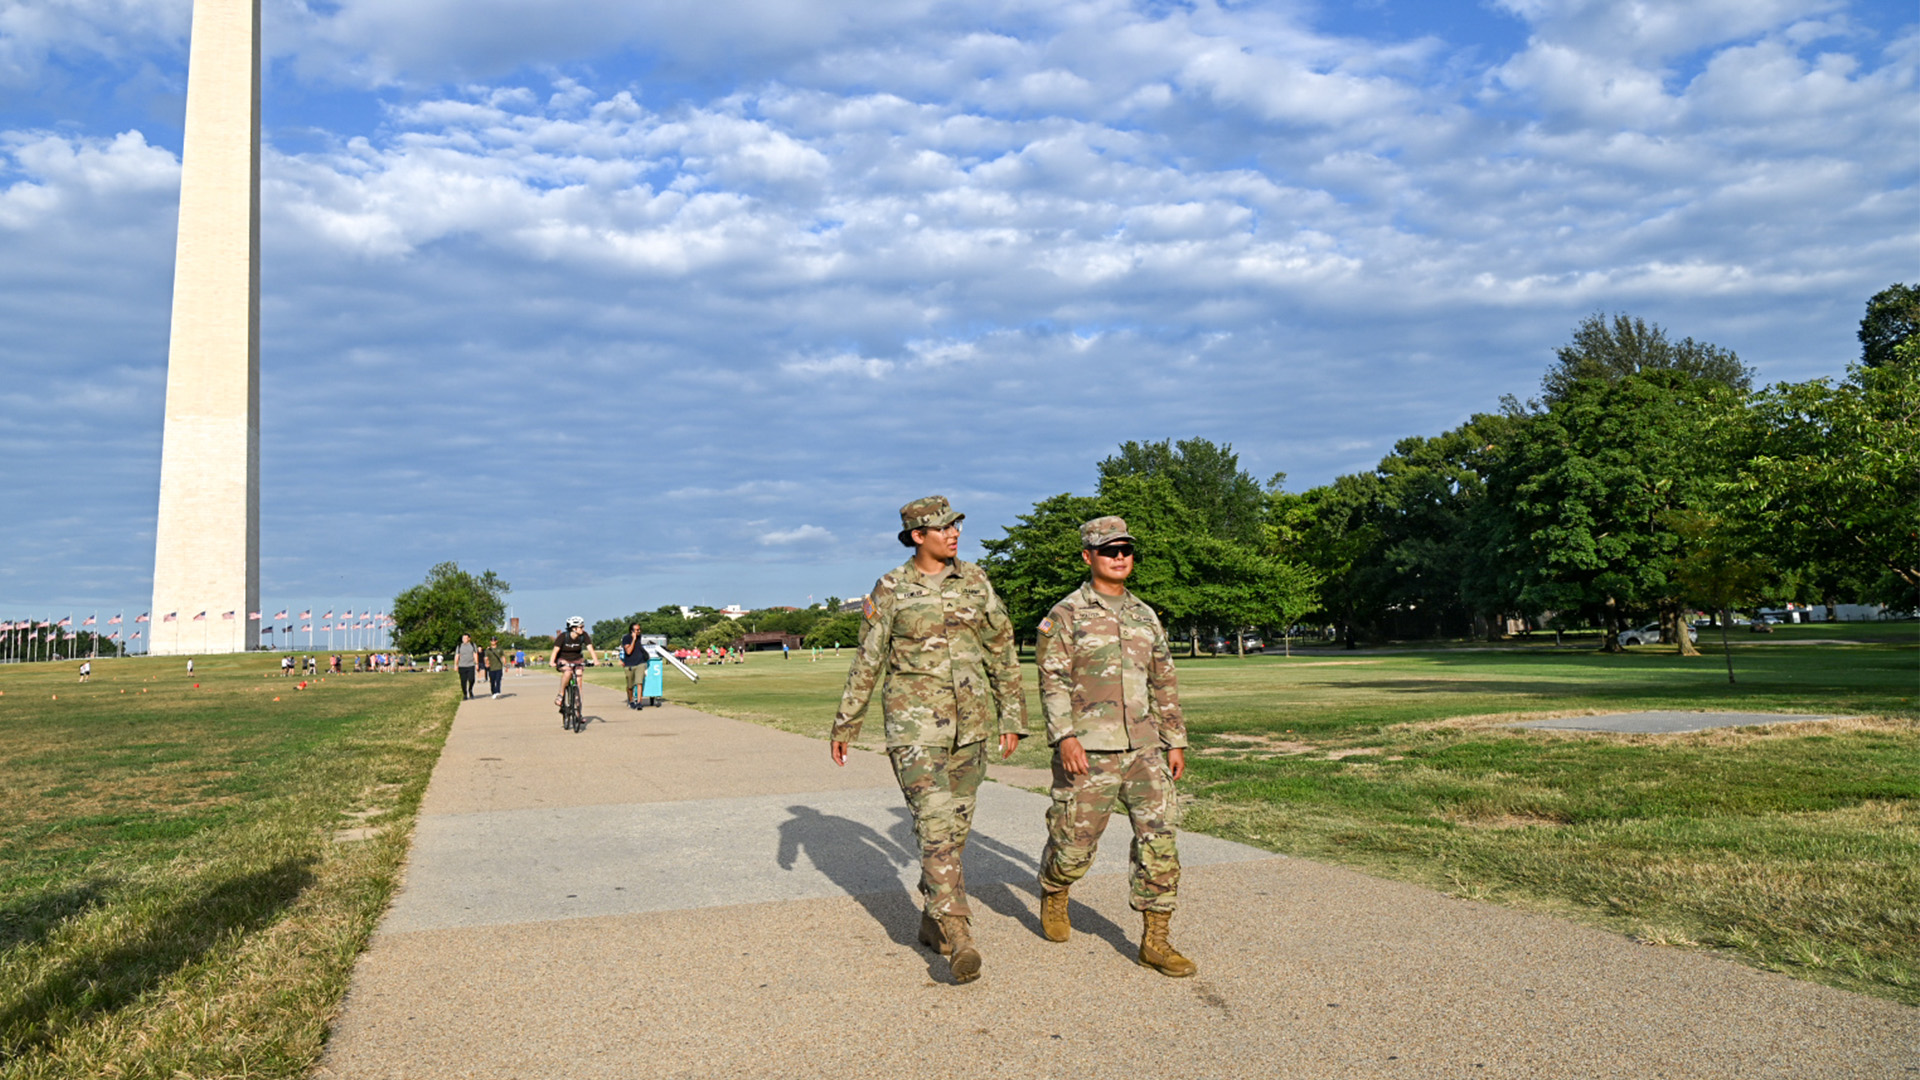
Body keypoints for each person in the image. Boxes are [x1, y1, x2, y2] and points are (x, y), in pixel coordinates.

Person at [830, 495, 1027, 984]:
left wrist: (1012, 716)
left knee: (954, 833)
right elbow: (868, 658)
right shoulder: (892, 587)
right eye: (943, 528)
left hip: (972, 726)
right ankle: (960, 937)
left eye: (957, 525)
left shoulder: (976, 580)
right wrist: (846, 723)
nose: (954, 533)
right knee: (936, 825)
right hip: (914, 728)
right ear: (918, 536)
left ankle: (932, 913)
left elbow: (1001, 648)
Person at [1034, 516, 1195, 977]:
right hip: (1089, 750)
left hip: (1145, 749)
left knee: (1159, 842)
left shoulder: (1145, 615)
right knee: (1074, 847)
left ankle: (1156, 940)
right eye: (1109, 550)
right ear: (1088, 557)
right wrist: (1065, 737)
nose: (1120, 557)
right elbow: (1053, 682)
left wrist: (1175, 740)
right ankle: (1055, 887)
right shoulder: (1065, 615)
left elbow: (1163, 680)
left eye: (1126, 549)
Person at [551, 616, 597, 711]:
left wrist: (595, 660)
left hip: (577, 659)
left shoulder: (584, 635)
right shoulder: (563, 636)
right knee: (568, 672)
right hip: (564, 659)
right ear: (574, 628)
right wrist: (552, 662)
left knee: (579, 681)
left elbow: (590, 648)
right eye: (581, 627)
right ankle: (561, 694)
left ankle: (578, 712)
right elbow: (555, 651)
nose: (583, 629)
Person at [620, 623, 648, 708]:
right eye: (637, 630)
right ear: (632, 631)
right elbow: (628, 651)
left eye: (639, 629)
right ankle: (631, 700)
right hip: (629, 664)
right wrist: (633, 640)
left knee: (639, 682)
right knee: (630, 686)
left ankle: (639, 702)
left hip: (640, 663)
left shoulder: (641, 637)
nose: (639, 631)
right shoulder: (626, 638)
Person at [454, 634, 478, 698]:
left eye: (465, 638)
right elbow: (457, 656)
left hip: (471, 665)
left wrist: (477, 663)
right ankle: (465, 694)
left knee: (472, 679)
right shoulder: (459, 646)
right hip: (462, 666)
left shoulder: (473, 645)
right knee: (463, 681)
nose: (464, 640)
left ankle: (470, 690)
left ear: (469, 638)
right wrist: (456, 665)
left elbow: (475, 654)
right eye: (463, 638)